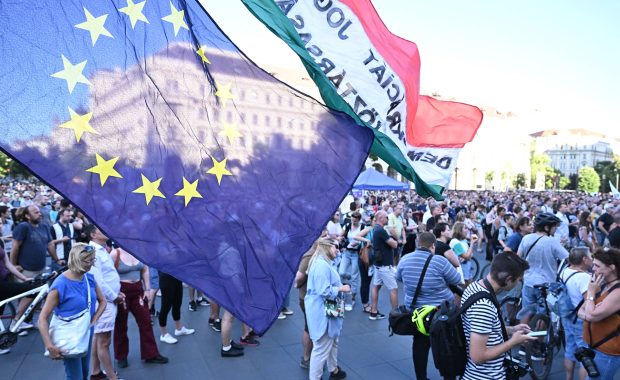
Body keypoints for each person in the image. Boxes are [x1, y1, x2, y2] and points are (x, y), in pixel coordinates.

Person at [395, 232, 461, 380]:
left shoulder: (405, 259)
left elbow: (398, 278)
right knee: (446, 346)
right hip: (440, 313)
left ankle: (421, 377)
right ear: (433, 245)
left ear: (418, 244)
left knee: (419, 343)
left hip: (417, 313)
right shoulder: (439, 261)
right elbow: (457, 279)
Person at [38, 243, 107, 380]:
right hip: (69, 335)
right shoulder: (60, 285)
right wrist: (49, 346)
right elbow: (42, 319)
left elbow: (103, 301)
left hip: (86, 331)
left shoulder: (89, 278)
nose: (92, 264)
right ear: (78, 261)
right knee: (75, 376)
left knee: (85, 371)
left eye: (93, 260)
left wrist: (93, 321)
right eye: (89, 261)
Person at [462, 252, 535, 379]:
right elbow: (478, 356)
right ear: (508, 279)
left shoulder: (475, 286)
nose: (519, 283)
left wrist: (512, 330)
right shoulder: (483, 306)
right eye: (518, 280)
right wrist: (513, 341)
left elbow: (483, 329)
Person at [110, 247, 168, 368]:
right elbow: (109, 274)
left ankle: (151, 354)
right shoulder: (115, 253)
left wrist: (147, 289)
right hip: (122, 292)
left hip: (137, 290)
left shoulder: (137, 251)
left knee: (146, 321)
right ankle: (121, 356)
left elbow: (145, 270)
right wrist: (114, 293)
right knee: (121, 324)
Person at [305, 238, 349, 380]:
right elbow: (324, 291)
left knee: (332, 339)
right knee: (321, 348)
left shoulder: (322, 261)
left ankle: (333, 369)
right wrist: (342, 288)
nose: (338, 249)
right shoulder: (321, 265)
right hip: (323, 310)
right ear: (326, 247)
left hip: (328, 308)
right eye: (336, 246)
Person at [85, 225, 124, 380]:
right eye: (100, 229)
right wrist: (114, 296)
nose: (105, 229)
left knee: (98, 337)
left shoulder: (101, 250)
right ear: (93, 234)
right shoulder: (92, 252)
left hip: (107, 300)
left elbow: (107, 276)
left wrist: (116, 292)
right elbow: (98, 282)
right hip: (105, 303)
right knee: (104, 342)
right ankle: (111, 377)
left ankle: (95, 372)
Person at [516, 212, 569, 323]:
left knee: (526, 312)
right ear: (546, 227)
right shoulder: (552, 242)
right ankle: (538, 339)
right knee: (543, 315)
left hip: (528, 281)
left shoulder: (526, 238)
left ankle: (522, 336)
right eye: (554, 227)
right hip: (545, 285)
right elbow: (568, 258)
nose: (555, 229)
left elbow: (518, 257)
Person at [579, 247, 620, 380]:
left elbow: (592, 315)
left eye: (597, 266)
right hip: (591, 345)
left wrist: (591, 295)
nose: (593, 269)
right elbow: (581, 311)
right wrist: (590, 314)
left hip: (606, 351)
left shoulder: (617, 292)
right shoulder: (601, 284)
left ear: (611, 267)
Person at [560, 247, 592, 380]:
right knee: (585, 355)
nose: (592, 260)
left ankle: (568, 378)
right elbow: (587, 301)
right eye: (590, 257)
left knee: (570, 350)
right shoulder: (584, 277)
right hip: (579, 319)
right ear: (584, 259)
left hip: (566, 316)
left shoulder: (564, 271)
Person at [294, 239, 321, 369]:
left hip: (319, 299)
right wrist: (297, 285)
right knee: (309, 328)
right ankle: (306, 358)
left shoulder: (322, 252)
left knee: (318, 328)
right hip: (308, 299)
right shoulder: (310, 254)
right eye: (324, 235)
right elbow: (299, 277)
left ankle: (316, 358)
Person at [369, 210, 398, 320]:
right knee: (394, 289)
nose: (388, 219)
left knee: (376, 287)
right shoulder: (381, 231)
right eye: (386, 217)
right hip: (385, 266)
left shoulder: (376, 229)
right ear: (381, 218)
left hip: (378, 265)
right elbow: (394, 244)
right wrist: (394, 236)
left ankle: (373, 312)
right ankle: (396, 315)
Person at [157, 270, 195, 344]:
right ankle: (164, 335)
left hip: (176, 275)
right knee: (166, 306)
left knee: (177, 303)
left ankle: (179, 329)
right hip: (166, 276)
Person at [338, 211, 364, 311]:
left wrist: (358, 242)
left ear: (359, 220)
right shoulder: (347, 225)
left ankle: (352, 298)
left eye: (355, 221)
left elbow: (365, 238)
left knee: (355, 276)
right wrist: (340, 239)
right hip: (347, 252)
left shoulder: (362, 227)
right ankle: (348, 278)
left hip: (357, 254)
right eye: (352, 220)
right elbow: (340, 235)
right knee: (341, 272)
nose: (353, 222)